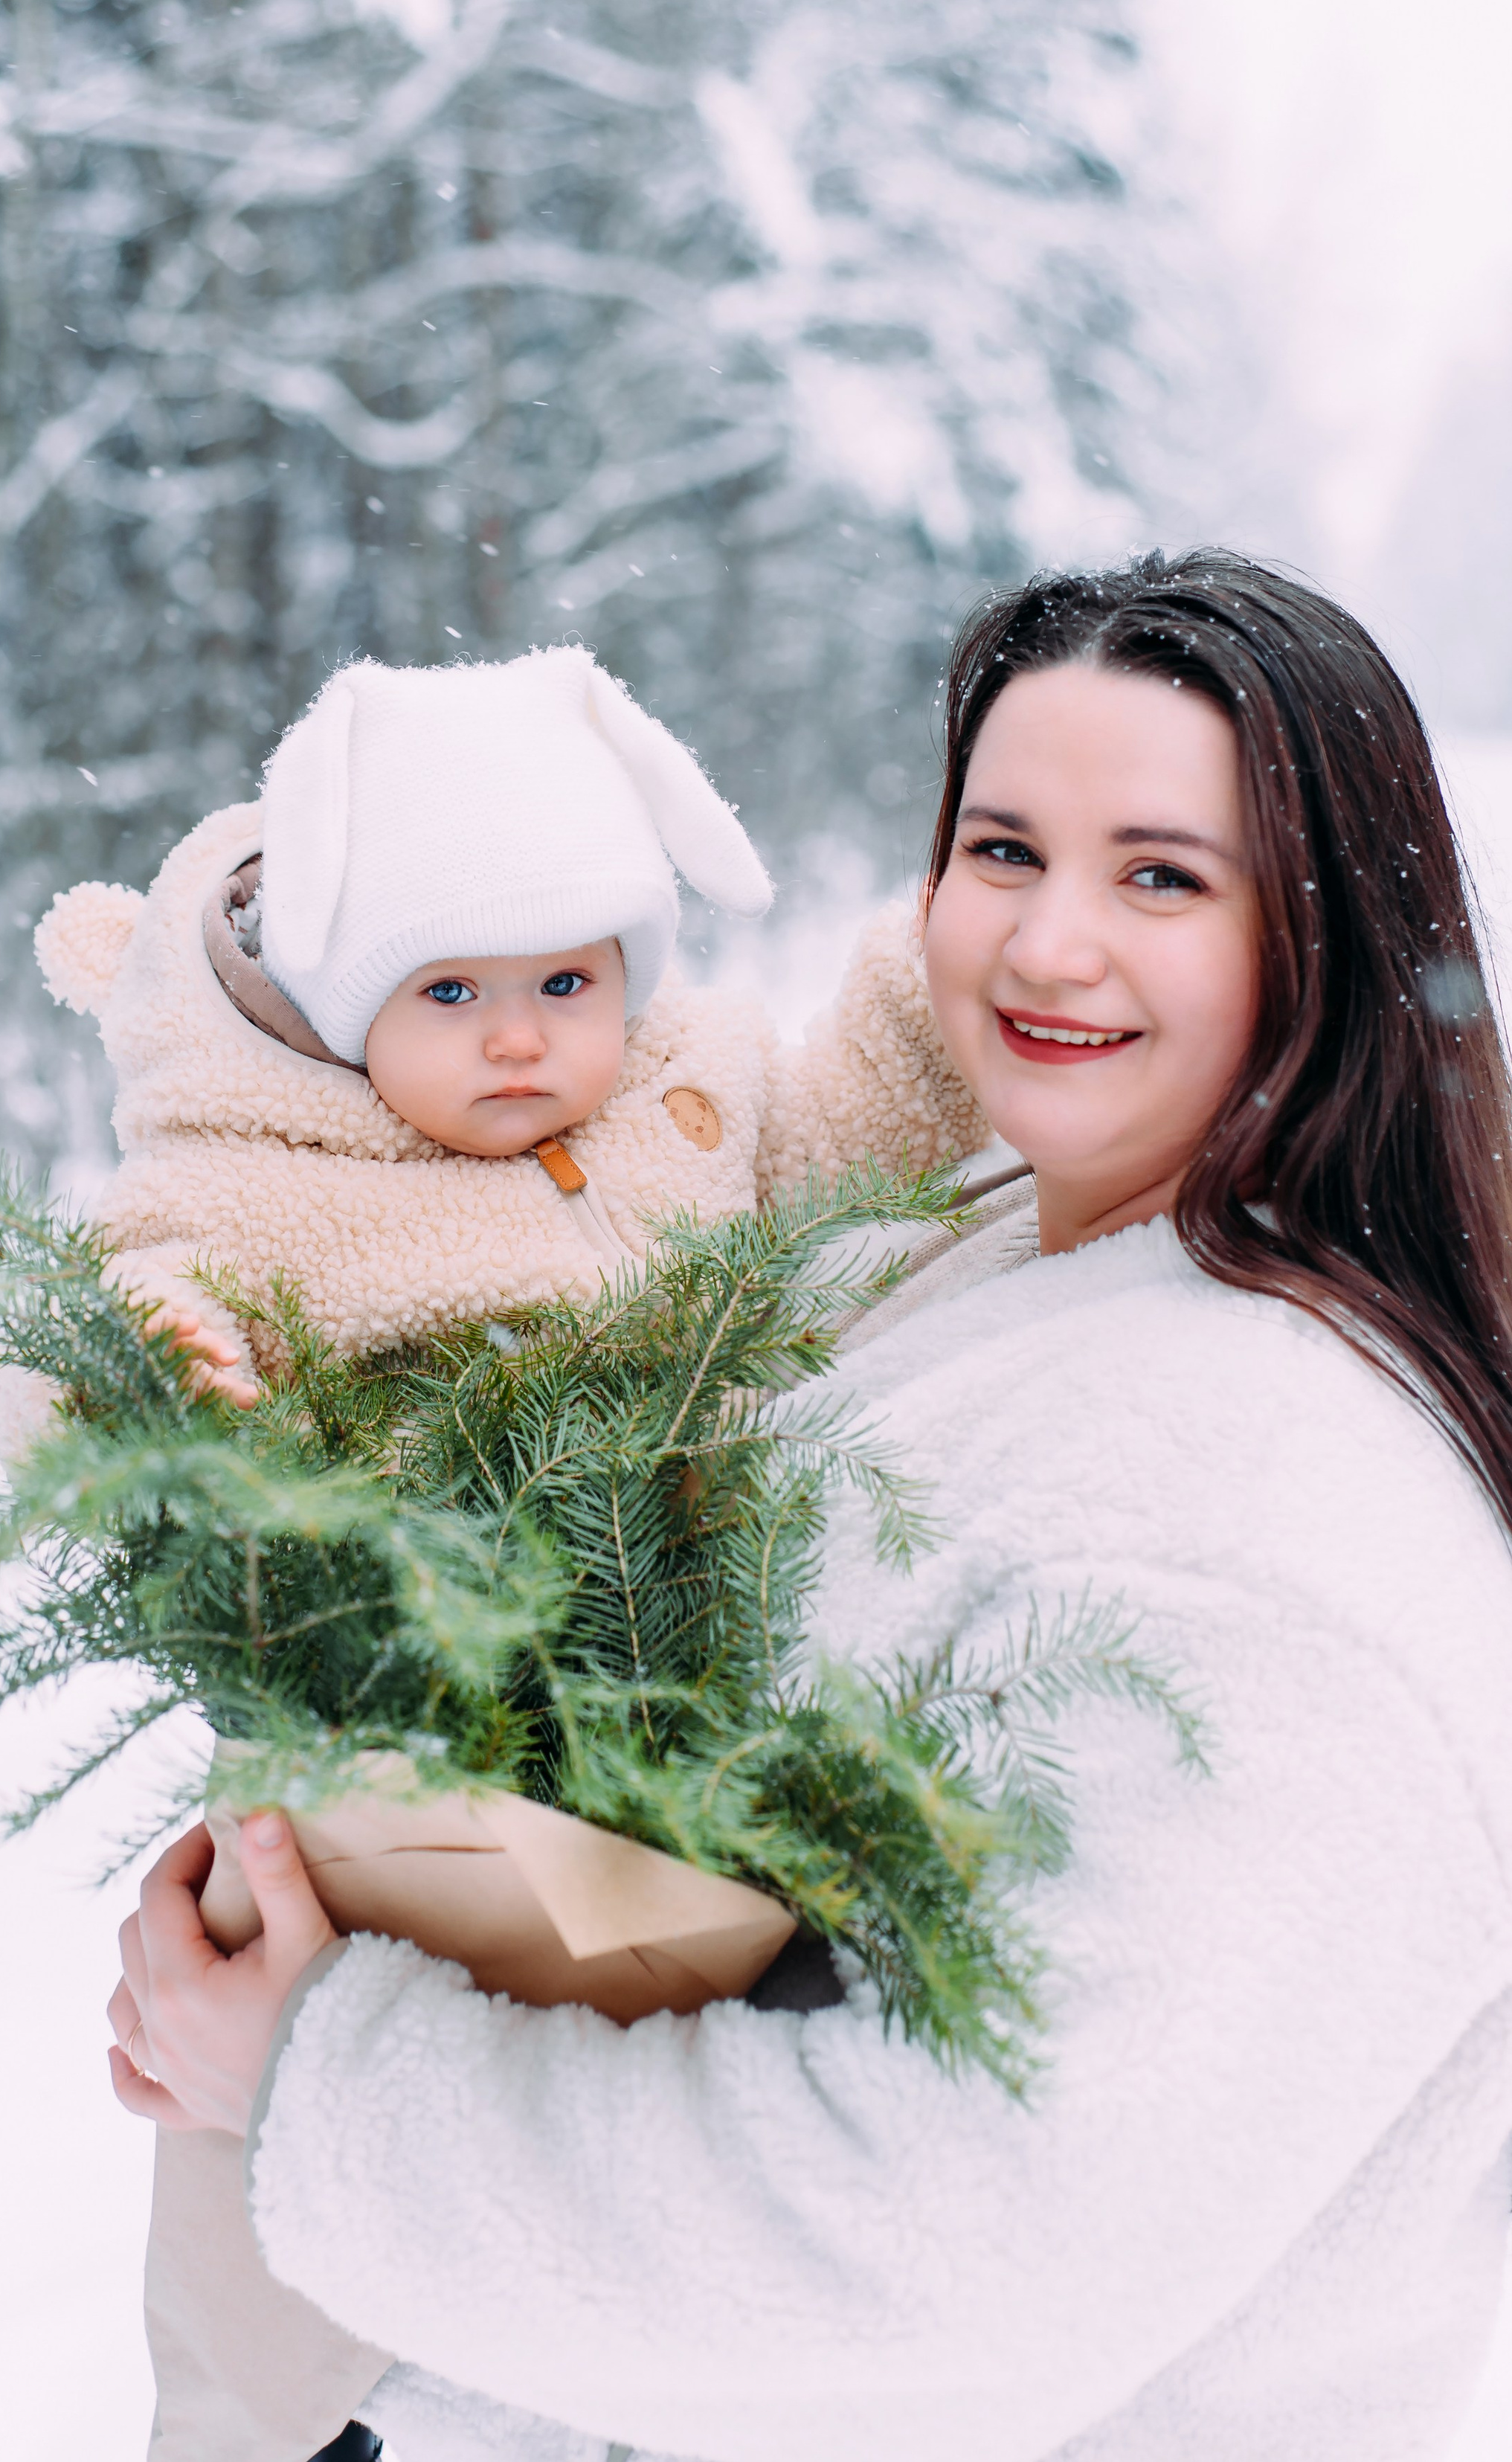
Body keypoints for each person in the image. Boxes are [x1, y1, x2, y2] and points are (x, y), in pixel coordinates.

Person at [107, 553, 1512, 2462]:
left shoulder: (1263, 1527)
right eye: (999, 849)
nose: (1042, 947)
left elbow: (961, 2251)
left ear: (1330, 929)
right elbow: (739, 1905)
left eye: (1158, 874)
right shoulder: (977, 1251)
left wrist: (313, 2081)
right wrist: (337, 1884)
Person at [19, 643, 985, 1414]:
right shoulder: (259, 1180)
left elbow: (849, 1136)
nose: (518, 1038)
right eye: (450, 993)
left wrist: (932, 986)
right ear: (350, 1009)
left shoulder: (693, 1091)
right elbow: (111, 1299)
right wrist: (153, 1351)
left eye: (565, 982)